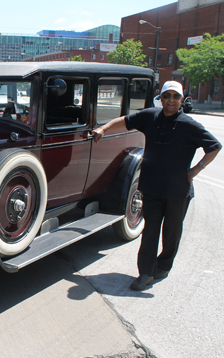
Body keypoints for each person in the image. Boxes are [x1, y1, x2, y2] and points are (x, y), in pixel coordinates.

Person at [92, 80, 221, 291]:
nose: (170, 100)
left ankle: (164, 265)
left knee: (171, 232)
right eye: (166, 96)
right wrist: (103, 129)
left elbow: (214, 146)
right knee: (150, 230)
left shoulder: (189, 125)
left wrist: (196, 169)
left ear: (181, 100)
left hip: (178, 191)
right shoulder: (150, 116)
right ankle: (146, 273)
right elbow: (125, 120)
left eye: (175, 96)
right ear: (160, 98)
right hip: (151, 187)